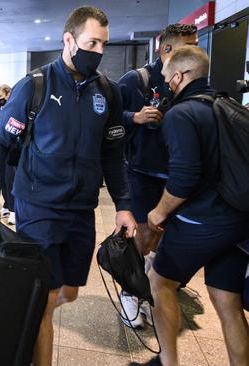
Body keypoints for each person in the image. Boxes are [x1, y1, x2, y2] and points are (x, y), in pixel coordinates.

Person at [0, 7, 136, 366]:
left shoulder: (108, 93)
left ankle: (27, 312)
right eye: (90, 42)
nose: (97, 51)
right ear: (69, 40)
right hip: (38, 206)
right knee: (45, 300)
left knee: (70, 292)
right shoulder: (34, 86)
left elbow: (113, 154)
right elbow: (0, 143)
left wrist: (124, 205)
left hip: (81, 209)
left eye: (103, 44)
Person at [136, 46, 249, 366]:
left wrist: (158, 213)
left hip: (204, 220)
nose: (167, 83)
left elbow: (184, 179)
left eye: (169, 76)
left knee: (159, 283)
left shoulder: (183, 114)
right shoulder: (223, 104)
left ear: (181, 75)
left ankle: (167, 362)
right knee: (227, 299)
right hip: (238, 219)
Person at [117, 23, 198, 329]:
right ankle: (130, 291)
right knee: (140, 235)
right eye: (187, 46)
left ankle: (150, 290)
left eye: (196, 45)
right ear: (166, 50)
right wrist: (134, 117)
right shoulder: (137, 80)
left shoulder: (192, 83)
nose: (195, 52)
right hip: (142, 173)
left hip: (178, 176)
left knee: (166, 240)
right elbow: (108, 121)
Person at [0, 84, 16, 225]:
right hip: (1, 148)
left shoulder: (14, 108)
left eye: (0, 97)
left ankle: (14, 210)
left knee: (11, 179)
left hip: (12, 148)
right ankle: (7, 205)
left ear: (8, 94)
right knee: (3, 180)